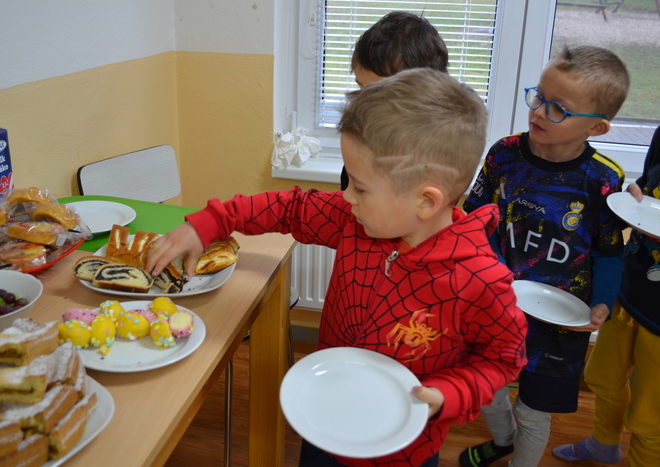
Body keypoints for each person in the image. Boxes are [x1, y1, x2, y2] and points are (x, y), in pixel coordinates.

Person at [147, 68, 527, 467]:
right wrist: (208, 223)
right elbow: (290, 207)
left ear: (425, 201)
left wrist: (449, 394)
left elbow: (502, 358)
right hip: (324, 420)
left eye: (359, 187)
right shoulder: (354, 219)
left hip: (403, 448)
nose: (346, 197)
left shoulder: (481, 280)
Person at [459, 45, 630, 467]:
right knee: (486, 388)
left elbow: (610, 251)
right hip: (494, 303)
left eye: (558, 109)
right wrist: (491, 269)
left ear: (597, 127)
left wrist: (603, 301)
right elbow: (475, 220)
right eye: (539, 97)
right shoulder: (503, 154)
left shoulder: (604, 179)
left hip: (559, 324)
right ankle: (503, 441)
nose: (538, 112)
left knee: (533, 411)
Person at [552, 124, 660, 466]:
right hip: (629, 290)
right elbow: (648, 192)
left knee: (649, 417)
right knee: (602, 377)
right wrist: (634, 196)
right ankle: (602, 445)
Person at [339, 10, 449, 191]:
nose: (364, 105)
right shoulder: (363, 142)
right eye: (362, 89)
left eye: (379, 95)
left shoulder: (439, 156)